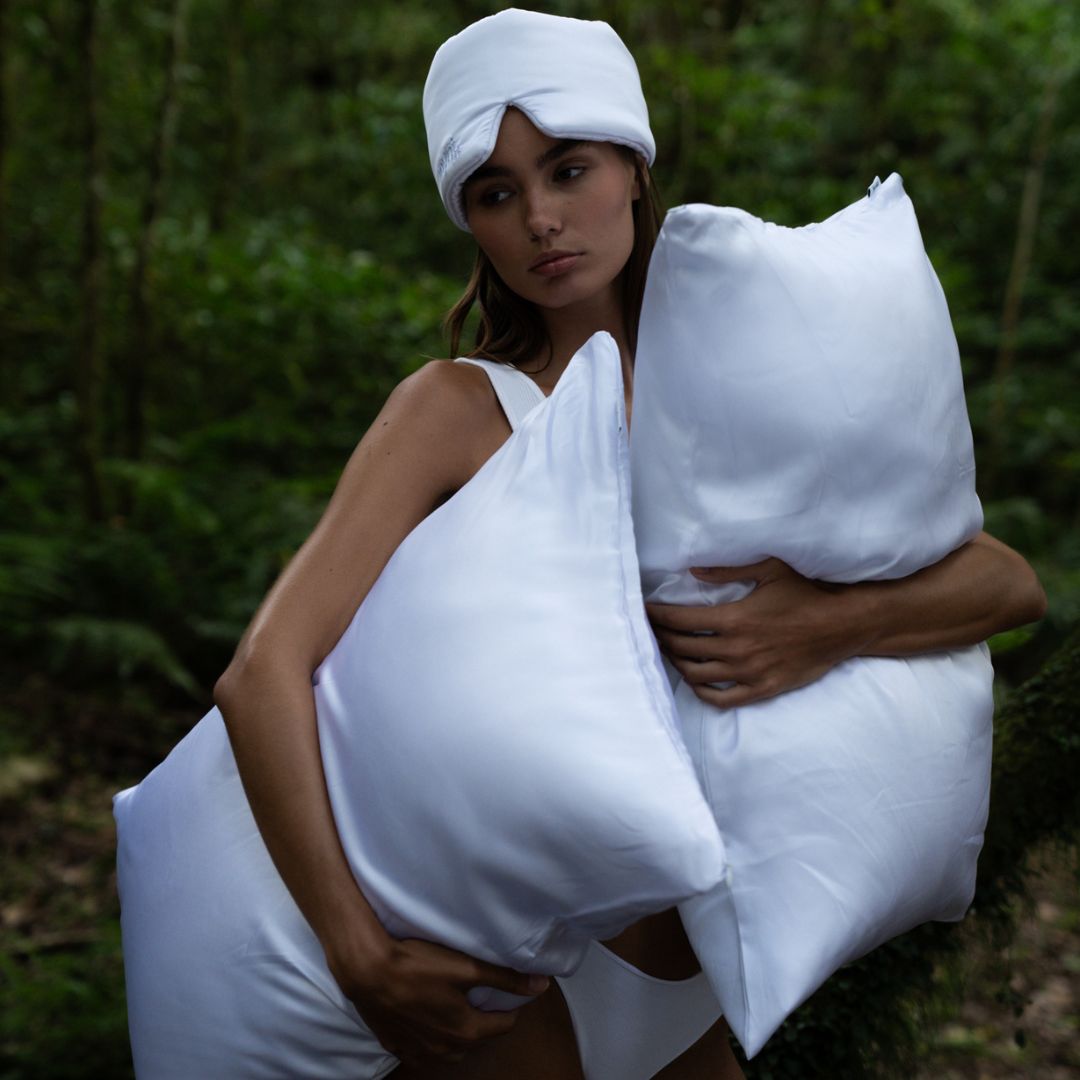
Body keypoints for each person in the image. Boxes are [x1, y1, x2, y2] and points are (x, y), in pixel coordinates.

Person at [117, 9, 1046, 1080]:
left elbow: (1007, 582)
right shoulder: (457, 410)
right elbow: (260, 674)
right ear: (469, 221)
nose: (542, 222)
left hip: (699, 976)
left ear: (636, 170)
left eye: (569, 170)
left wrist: (826, 626)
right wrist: (358, 952)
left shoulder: (742, 381)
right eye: (497, 193)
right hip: (508, 980)